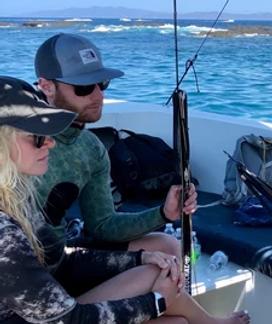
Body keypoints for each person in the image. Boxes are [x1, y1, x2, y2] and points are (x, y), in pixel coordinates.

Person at [0, 76, 250, 323]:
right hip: (52, 316)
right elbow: (68, 320)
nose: (50, 143)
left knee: (162, 282)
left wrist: (141, 255)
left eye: (102, 85)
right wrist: (157, 301)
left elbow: (63, 261)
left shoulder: (18, 197)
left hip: (49, 298)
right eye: (37, 136)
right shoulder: (4, 233)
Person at [33, 33, 192, 259]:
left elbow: (103, 224)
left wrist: (164, 213)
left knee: (167, 246)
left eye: (102, 83)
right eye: (85, 86)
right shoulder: (17, 138)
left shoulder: (91, 148)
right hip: (19, 266)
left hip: (60, 259)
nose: (99, 95)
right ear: (47, 87)